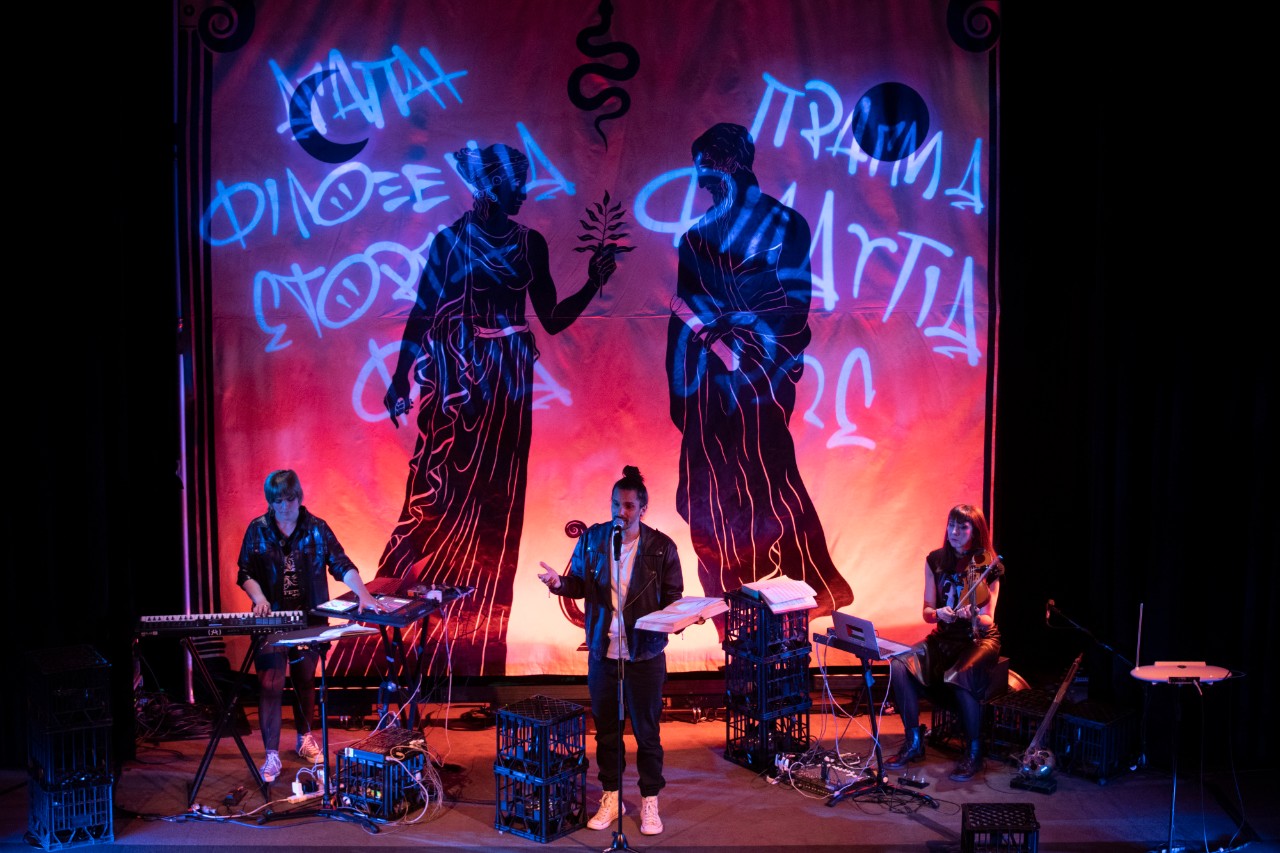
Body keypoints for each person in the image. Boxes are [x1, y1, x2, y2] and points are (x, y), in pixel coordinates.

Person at [363, 142, 617, 677]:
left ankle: (479, 637)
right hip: (460, 376)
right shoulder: (450, 242)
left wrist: (594, 281)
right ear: (489, 186)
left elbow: (549, 317)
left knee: (494, 504)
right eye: (514, 183)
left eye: (523, 183)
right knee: (442, 495)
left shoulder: (530, 243)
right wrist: (399, 375)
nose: (523, 193)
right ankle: (412, 628)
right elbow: (422, 311)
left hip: (508, 381)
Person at [665, 122, 852, 622]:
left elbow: (795, 303)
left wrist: (752, 345)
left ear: (732, 164)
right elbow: (682, 315)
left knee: (767, 479)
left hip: (759, 376)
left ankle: (806, 588)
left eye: (707, 167)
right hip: (707, 384)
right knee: (707, 491)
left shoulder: (785, 224)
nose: (701, 180)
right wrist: (683, 385)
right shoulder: (695, 239)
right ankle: (731, 603)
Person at [536, 466, 683, 836]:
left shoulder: (662, 546)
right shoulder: (594, 539)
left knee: (647, 733)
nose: (622, 512)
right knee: (605, 731)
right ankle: (611, 796)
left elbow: (673, 597)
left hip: (644, 654)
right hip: (604, 651)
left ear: (643, 509)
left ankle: (650, 801)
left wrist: (683, 618)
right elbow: (580, 584)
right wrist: (558, 584)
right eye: (617, 504)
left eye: (630, 506)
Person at [236, 469, 383, 784]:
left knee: (305, 681)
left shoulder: (317, 528)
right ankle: (272, 754)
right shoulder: (257, 530)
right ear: (270, 502)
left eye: (290, 499)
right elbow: (245, 570)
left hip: (309, 620)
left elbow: (341, 564)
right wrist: (259, 596)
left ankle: (304, 738)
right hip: (271, 620)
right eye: (279, 501)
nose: (286, 506)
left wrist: (364, 594)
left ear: (298, 497)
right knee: (270, 685)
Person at [883, 503, 1004, 782]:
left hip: (978, 639)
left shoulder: (988, 565)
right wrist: (938, 612)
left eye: (963, 527)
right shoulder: (935, 560)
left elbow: (988, 619)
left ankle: (973, 752)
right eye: (951, 525)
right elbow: (926, 613)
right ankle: (914, 742)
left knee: (961, 675)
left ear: (976, 531)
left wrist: (971, 613)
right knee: (899, 665)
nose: (954, 531)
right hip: (945, 637)